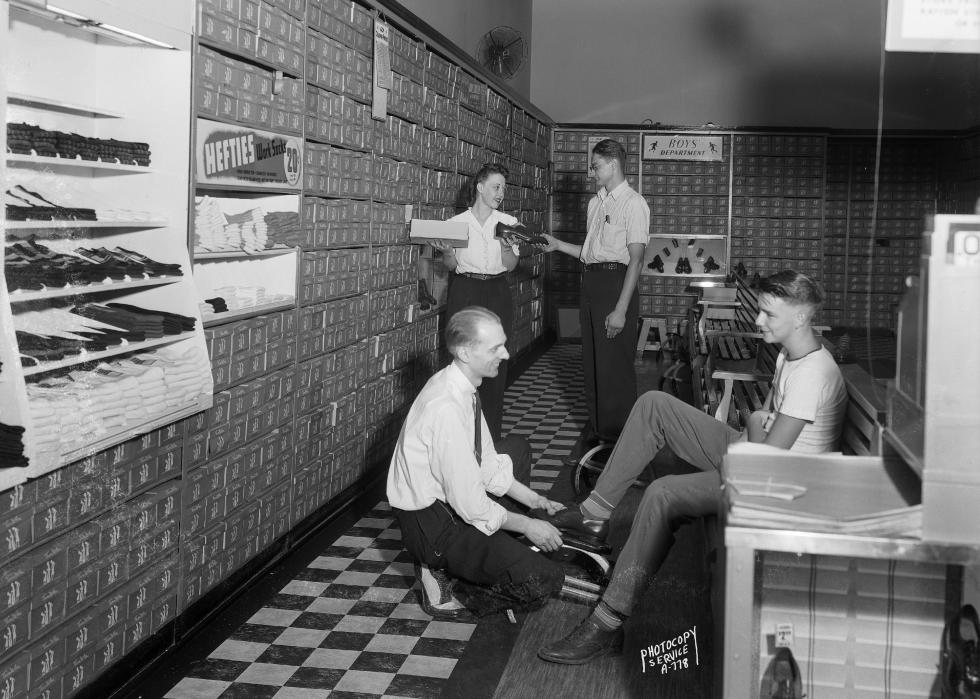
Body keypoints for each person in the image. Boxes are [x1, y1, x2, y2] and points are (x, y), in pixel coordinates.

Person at [534, 270, 848, 664]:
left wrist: (754, 425)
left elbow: (767, 456)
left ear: (801, 317)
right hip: (758, 457)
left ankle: (607, 621)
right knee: (654, 405)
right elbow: (762, 428)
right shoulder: (791, 353)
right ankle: (594, 515)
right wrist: (755, 426)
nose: (758, 320)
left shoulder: (812, 375)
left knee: (663, 493)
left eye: (769, 313)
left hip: (780, 487)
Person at [387, 306, 573, 619]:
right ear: (464, 351)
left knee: (516, 449)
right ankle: (443, 576)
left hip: (450, 502)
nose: (506, 353)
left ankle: (491, 551)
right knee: (541, 581)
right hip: (432, 525)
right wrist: (527, 524)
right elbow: (470, 503)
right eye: (495, 348)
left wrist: (535, 500)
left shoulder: (462, 386)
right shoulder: (445, 407)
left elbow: (485, 461)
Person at [538, 138, 649, 466]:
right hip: (592, 281)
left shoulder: (633, 203)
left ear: (613, 164)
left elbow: (637, 261)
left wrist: (621, 309)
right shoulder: (596, 204)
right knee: (594, 366)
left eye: (596, 165)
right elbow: (590, 255)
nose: (591, 172)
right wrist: (557, 244)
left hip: (617, 286)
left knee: (615, 369)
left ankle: (622, 449)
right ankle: (602, 439)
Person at [430, 163, 521, 442]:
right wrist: (446, 253)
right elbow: (452, 264)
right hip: (465, 288)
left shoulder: (509, 223)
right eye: (496, 187)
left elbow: (511, 265)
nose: (501, 193)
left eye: (504, 188)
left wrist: (507, 249)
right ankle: (459, 439)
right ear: (480, 187)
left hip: (496, 290)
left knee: (495, 362)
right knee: (462, 360)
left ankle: (489, 438)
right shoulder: (455, 224)